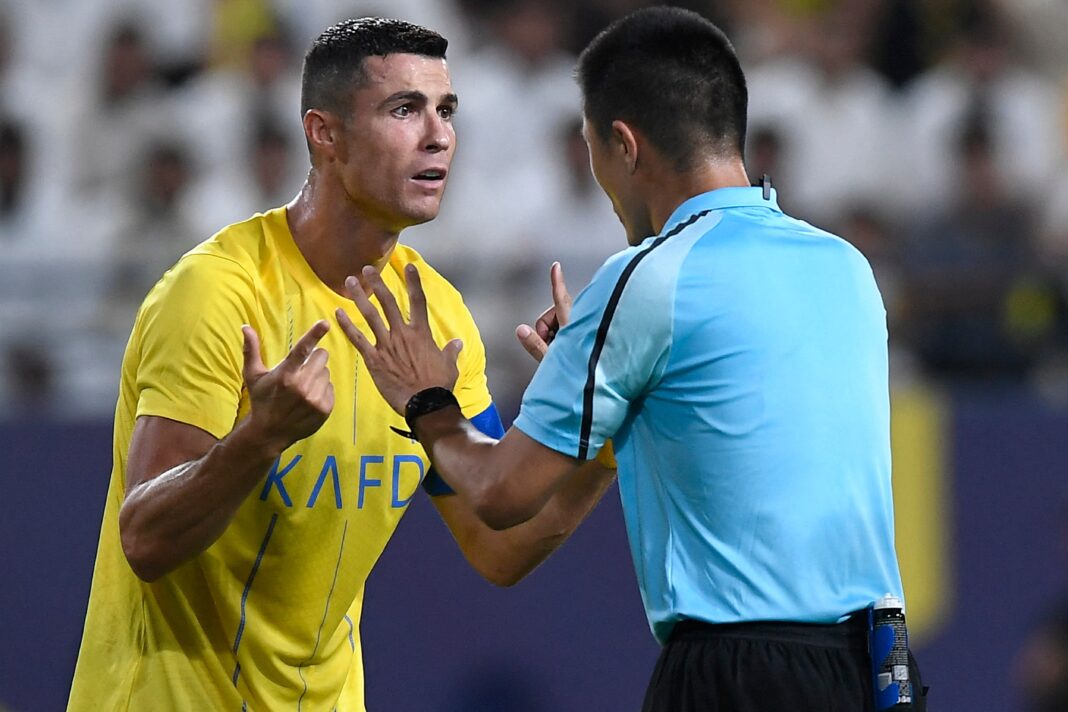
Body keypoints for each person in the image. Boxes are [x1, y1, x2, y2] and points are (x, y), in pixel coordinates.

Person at [337, 7, 927, 711]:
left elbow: (498, 495)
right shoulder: (848, 267)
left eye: (593, 148)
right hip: (877, 671)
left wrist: (428, 400)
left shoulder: (645, 278)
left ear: (624, 144)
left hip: (739, 674)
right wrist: (603, 389)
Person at [67, 18, 614, 711]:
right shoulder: (216, 293)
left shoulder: (439, 318)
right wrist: (260, 437)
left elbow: (497, 546)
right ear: (324, 134)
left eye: (446, 111)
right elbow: (145, 538)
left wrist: (600, 423)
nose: (439, 136)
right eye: (404, 109)